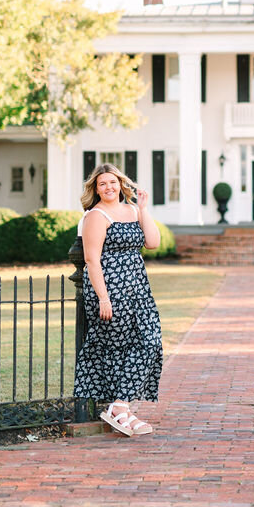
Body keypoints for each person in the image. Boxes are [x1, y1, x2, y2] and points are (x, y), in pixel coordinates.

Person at [73, 163, 163, 436]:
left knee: (150, 341)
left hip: (138, 289)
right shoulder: (96, 216)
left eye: (112, 182)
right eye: (102, 184)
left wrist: (144, 208)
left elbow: (153, 242)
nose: (108, 187)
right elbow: (91, 259)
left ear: (121, 184)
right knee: (119, 346)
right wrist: (103, 297)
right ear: (95, 189)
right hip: (110, 289)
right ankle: (121, 408)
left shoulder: (133, 211)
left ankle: (119, 407)